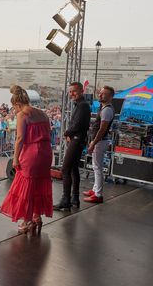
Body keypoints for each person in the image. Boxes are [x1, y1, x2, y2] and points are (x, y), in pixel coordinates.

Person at [0, 85, 53, 235]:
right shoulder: (43, 114)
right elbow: (48, 132)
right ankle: (37, 216)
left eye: (14, 107)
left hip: (32, 154)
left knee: (27, 186)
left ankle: (27, 220)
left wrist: (15, 158)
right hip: (46, 153)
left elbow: (20, 138)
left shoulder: (23, 114)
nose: (15, 111)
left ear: (17, 104)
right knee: (39, 183)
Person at [54, 82, 91, 210]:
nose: (71, 94)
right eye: (70, 92)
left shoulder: (83, 106)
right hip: (77, 139)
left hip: (76, 140)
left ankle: (66, 200)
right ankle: (74, 198)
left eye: (73, 91)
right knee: (74, 168)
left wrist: (66, 133)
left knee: (65, 169)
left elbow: (77, 125)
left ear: (81, 91)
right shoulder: (81, 105)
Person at [84, 86, 115, 203]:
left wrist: (93, 143)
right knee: (96, 166)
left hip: (100, 141)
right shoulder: (104, 108)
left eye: (104, 94)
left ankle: (98, 195)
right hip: (99, 141)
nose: (100, 95)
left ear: (110, 97)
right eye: (100, 93)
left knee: (97, 168)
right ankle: (95, 189)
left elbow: (102, 129)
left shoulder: (107, 110)